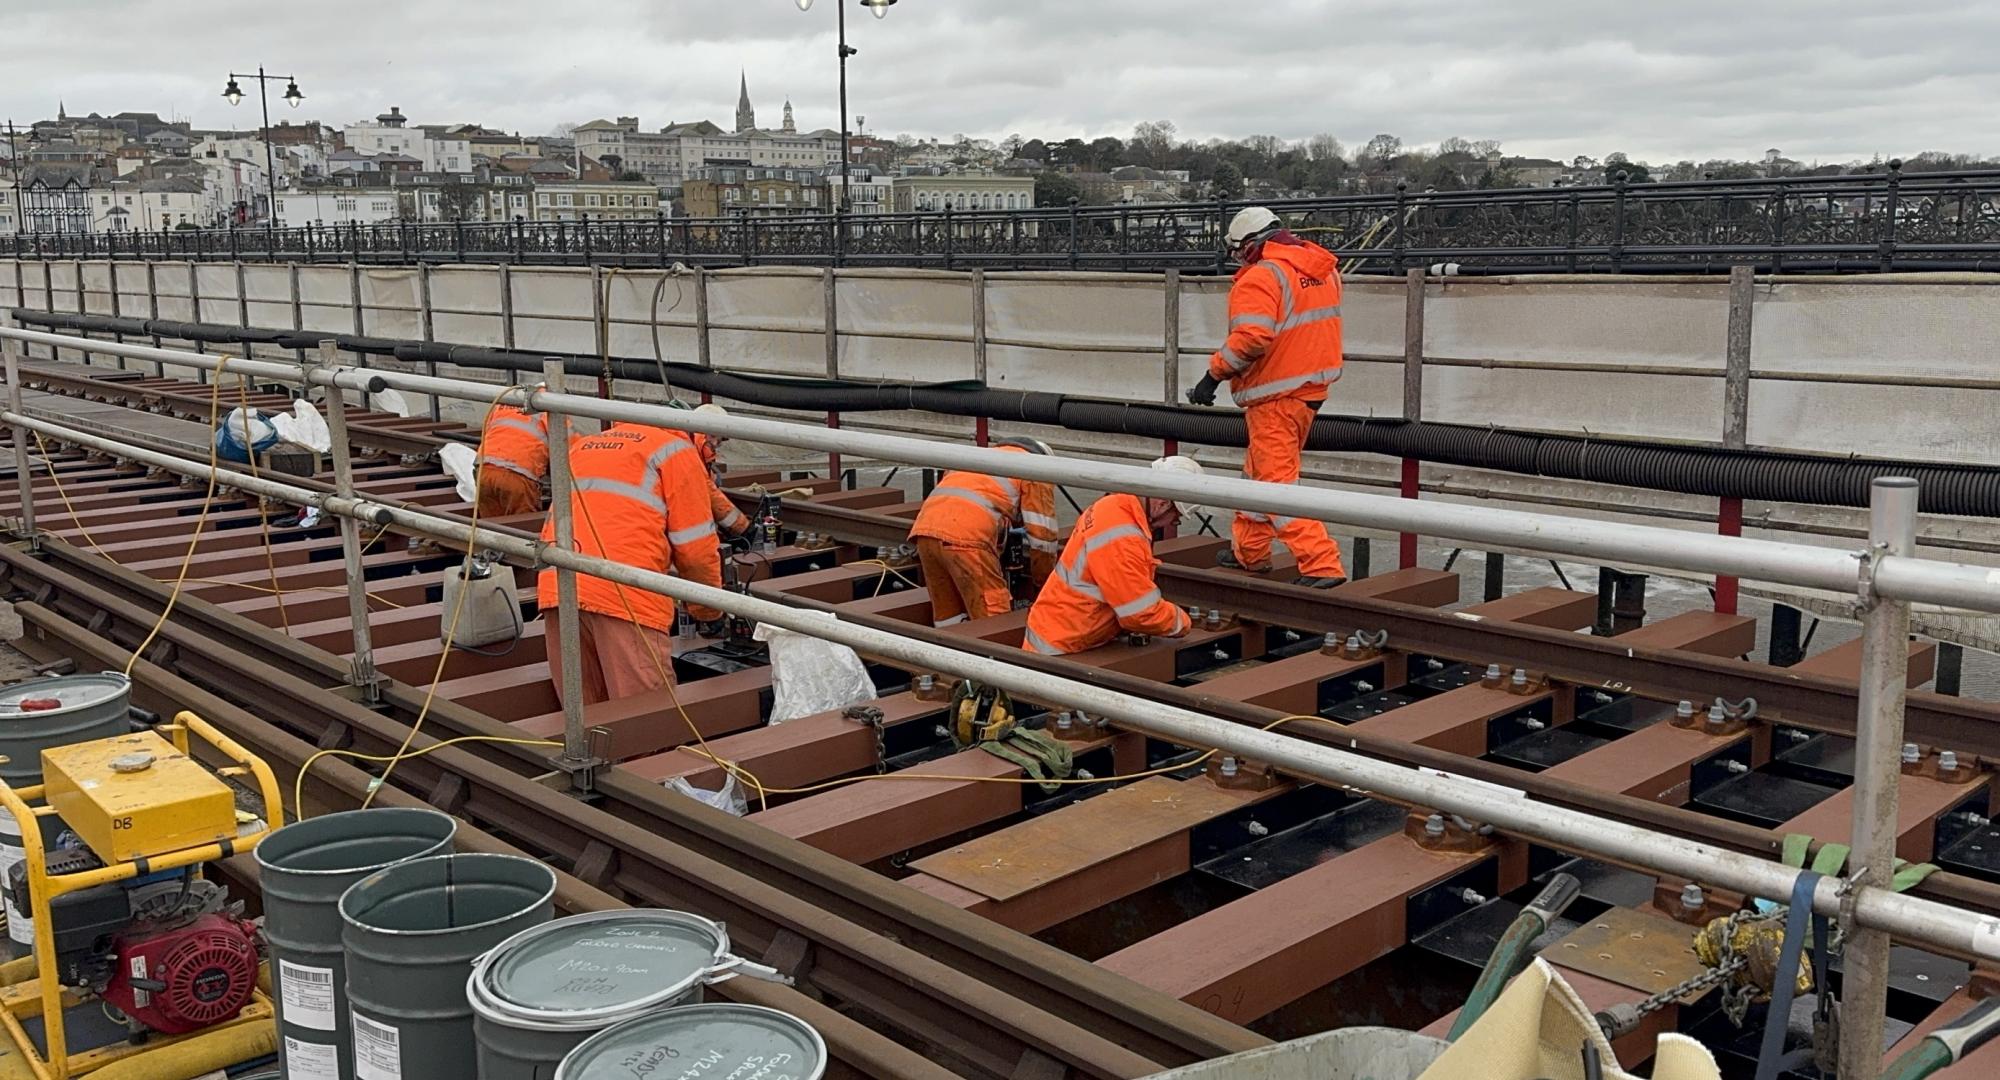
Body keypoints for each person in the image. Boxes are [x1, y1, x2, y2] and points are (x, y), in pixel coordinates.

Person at [1185, 206, 1348, 588]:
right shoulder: (1321, 270)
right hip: (1308, 391)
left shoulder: (1261, 276)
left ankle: (1322, 564)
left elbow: (1252, 338)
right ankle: (1250, 552)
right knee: (1256, 476)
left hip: (1275, 394)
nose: (1237, 259)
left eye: (1237, 251)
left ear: (1250, 245)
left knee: (1274, 486)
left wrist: (1212, 377)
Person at [537, 421, 724, 705]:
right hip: (625, 593)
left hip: (559, 584)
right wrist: (708, 612)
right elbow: (696, 549)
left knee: (584, 717)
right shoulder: (678, 452)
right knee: (644, 722)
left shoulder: (586, 445)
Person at [1022, 456, 1200, 656]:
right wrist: (1182, 622)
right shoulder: (1123, 536)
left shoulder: (1115, 505)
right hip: (1062, 646)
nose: (1172, 523)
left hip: (1064, 629)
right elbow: (1139, 614)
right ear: (1163, 504)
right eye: (1175, 518)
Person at [907, 437, 1060, 626]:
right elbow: (1042, 538)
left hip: (924, 531)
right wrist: (1044, 582)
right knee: (992, 618)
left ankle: (948, 650)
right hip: (967, 539)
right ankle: (992, 655)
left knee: (948, 612)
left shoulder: (978, 457)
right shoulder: (1034, 468)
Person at [474, 402, 548, 517]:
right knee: (524, 525)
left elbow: (489, 432)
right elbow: (570, 450)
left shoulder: (505, 402)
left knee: (491, 525)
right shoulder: (551, 407)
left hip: (484, 470)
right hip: (517, 474)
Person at [690, 403, 750, 540]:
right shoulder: (688, 453)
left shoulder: (695, 451)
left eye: (720, 439)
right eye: (713, 436)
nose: (716, 443)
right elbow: (710, 494)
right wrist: (744, 528)